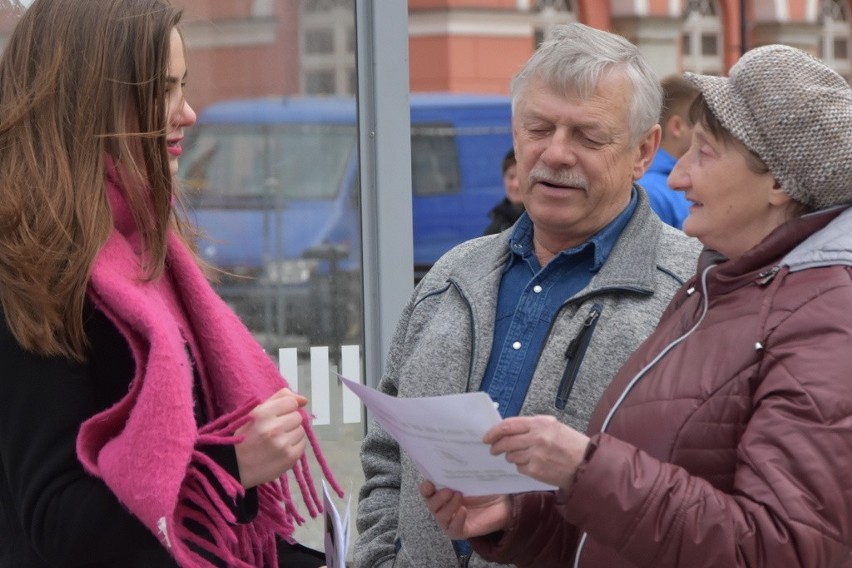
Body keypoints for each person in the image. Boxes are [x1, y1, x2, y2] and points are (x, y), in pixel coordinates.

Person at [422, 44, 852, 568]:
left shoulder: (825, 322)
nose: (676, 177)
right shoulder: (719, 288)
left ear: (780, 182)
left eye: (704, 152)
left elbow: (783, 549)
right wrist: (521, 516)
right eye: (538, 128)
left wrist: (583, 467)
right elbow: (633, 521)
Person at [0, 1, 341, 567]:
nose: (187, 113)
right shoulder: (31, 269)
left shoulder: (145, 252)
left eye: (182, 87)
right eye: (161, 90)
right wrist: (231, 466)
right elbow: (59, 525)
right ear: (89, 101)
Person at [355, 23, 701, 568]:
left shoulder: (691, 295)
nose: (555, 154)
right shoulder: (453, 275)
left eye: (587, 136)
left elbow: (697, 503)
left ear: (644, 151)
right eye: (538, 127)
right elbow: (386, 459)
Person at [636, 74, 699, 229]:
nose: (709, 132)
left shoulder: (683, 182)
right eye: (701, 123)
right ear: (677, 127)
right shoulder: (650, 191)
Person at [482, 149, 524, 235]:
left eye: (521, 177)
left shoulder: (549, 224)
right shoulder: (494, 230)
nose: (516, 184)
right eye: (511, 177)